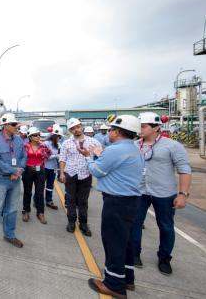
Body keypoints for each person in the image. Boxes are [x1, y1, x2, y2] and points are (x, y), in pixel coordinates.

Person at [83, 114, 144, 299]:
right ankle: (126, 278)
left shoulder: (115, 150)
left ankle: (114, 285)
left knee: (113, 242)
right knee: (124, 241)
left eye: (110, 129)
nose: (108, 132)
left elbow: (96, 171)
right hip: (130, 200)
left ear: (117, 132)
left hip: (116, 201)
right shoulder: (134, 149)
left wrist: (90, 157)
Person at [131, 112, 192, 275]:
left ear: (156, 127)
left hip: (164, 194)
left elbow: (184, 170)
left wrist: (182, 194)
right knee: (135, 223)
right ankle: (134, 253)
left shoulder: (172, 146)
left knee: (166, 226)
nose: (140, 130)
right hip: (140, 192)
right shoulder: (135, 145)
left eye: (143, 126)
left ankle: (164, 258)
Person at [0, 113, 27, 253]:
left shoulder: (19, 141)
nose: (17, 127)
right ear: (5, 126)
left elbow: (23, 156)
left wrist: (20, 169)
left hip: (15, 181)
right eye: (14, 125)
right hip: (0, 179)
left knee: (12, 209)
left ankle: (9, 235)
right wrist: (13, 171)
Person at [59, 118, 101, 236]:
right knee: (71, 200)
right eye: (72, 128)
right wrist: (62, 173)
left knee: (83, 201)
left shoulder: (93, 142)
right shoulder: (66, 143)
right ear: (70, 130)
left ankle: (83, 224)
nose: (76, 130)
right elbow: (62, 159)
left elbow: (101, 156)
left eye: (77, 127)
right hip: (70, 174)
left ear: (81, 126)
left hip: (86, 174)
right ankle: (71, 222)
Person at [22, 127, 51, 224]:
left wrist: (42, 161)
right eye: (35, 135)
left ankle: (40, 213)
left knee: (39, 193)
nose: (38, 136)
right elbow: (21, 157)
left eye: (39, 134)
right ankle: (26, 211)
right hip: (28, 171)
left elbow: (49, 154)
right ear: (30, 137)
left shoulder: (43, 146)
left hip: (40, 171)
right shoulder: (25, 146)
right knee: (27, 192)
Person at [44, 127, 63, 210]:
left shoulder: (59, 145)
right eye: (59, 137)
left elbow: (61, 156)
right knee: (40, 185)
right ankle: (37, 200)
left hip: (53, 168)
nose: (59, 139)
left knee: (50, 186)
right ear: (54, 136)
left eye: (60, 137)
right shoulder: (46, 144)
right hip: (44, 167)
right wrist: (56, 156)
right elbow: (45, 156)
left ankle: (49, 200)